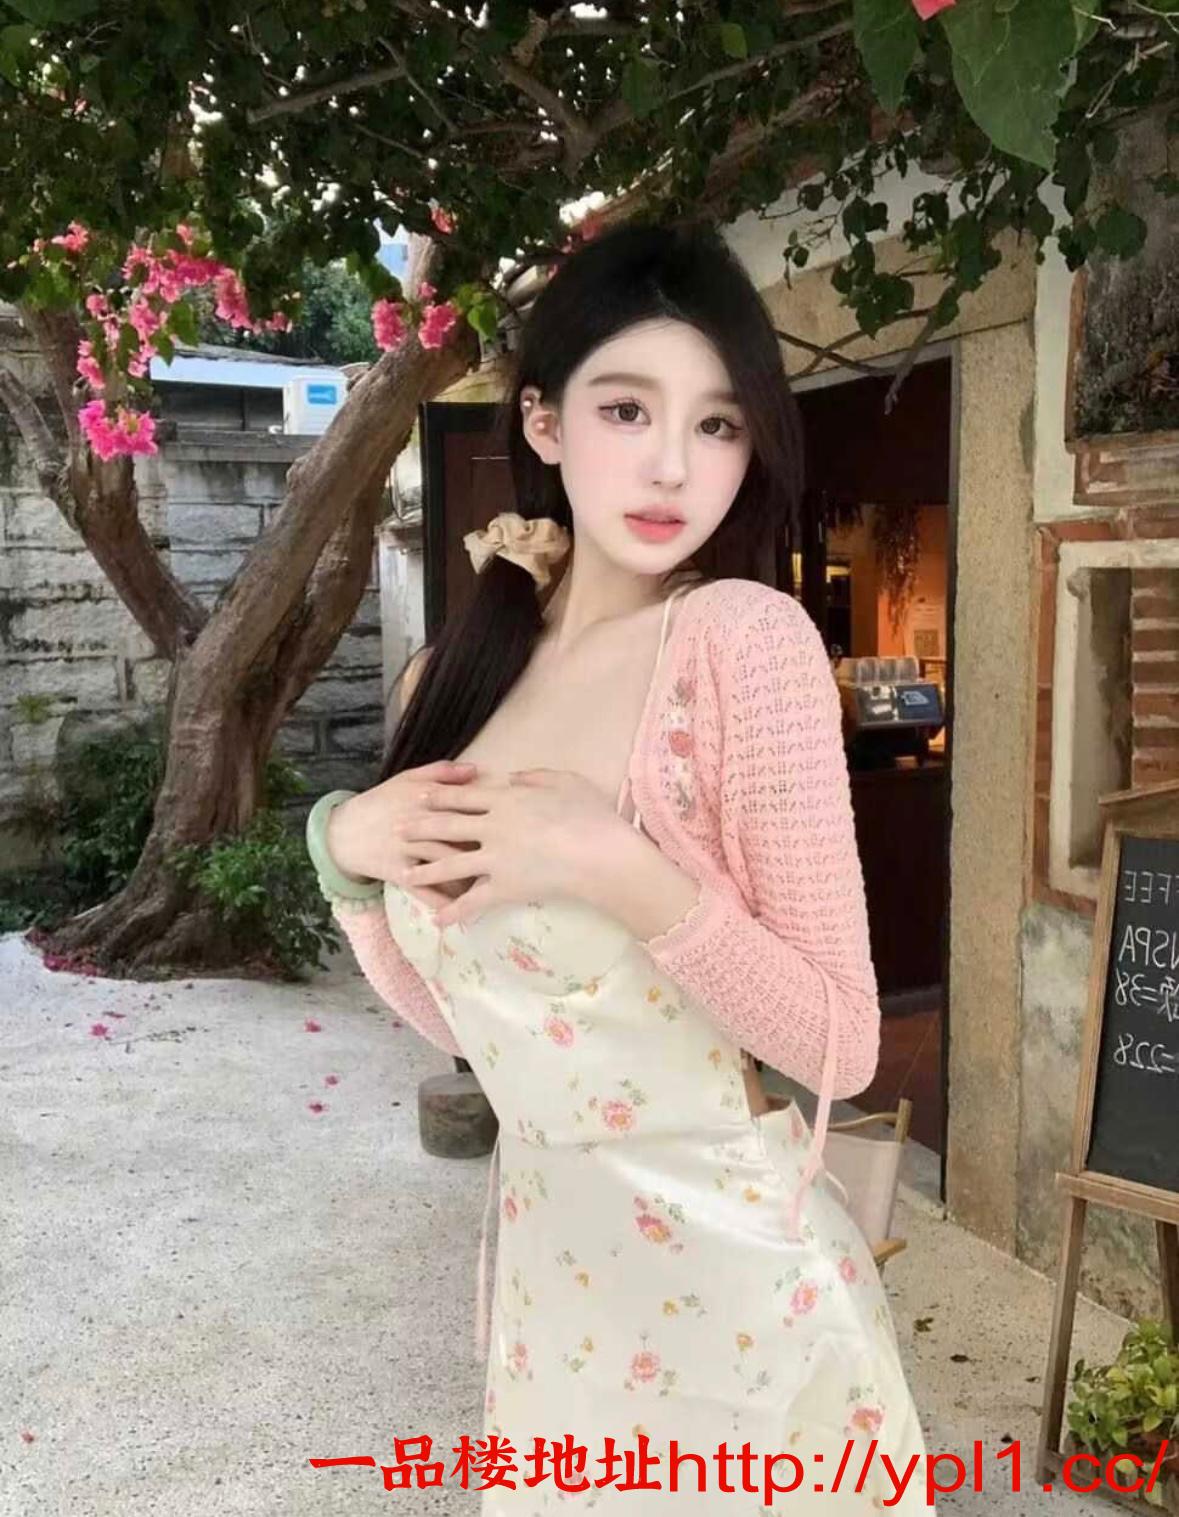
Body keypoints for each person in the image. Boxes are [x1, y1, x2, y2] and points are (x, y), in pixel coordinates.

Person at [305, 220, 934, 1512]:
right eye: (627, 408)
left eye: (717, 424)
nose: (672, 464)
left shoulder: (741, 646)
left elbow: (842, 1045)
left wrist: (612, 865)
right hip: (555, 1293)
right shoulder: (454, 679)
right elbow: (480, 1024)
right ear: (543, 423)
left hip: (740, 1312)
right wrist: (343, 858)